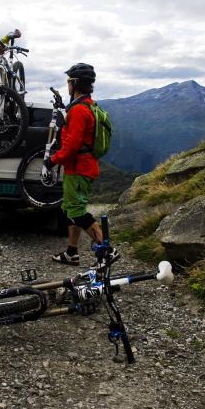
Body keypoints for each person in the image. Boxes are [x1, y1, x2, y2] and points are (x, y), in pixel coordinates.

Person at [44, 63, 119, 266]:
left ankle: (108, 250)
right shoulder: (89, 106)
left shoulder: (78, 111)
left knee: (77, 212)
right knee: (72, 209)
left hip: (78, 169)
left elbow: (71, 146)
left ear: (75, 83)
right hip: (84, 166)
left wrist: (52, 160)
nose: (67, 84)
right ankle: (72, 252)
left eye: (69, 81)